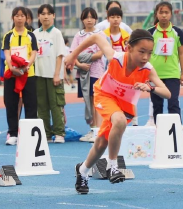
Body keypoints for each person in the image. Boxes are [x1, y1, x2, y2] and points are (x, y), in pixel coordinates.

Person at [65, 29, 171, 194]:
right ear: (129, 48)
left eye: (150, 53)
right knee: (119, 121)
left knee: (101, 143)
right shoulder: (115, 57)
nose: (145, 57)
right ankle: (113, 167)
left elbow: (167, 92)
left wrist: (150, 86)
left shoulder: (148, 70)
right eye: (141, 52)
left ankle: (83, 171)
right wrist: (72, 55)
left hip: (124, 105)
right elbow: (95, 37)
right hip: (104, 95)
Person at [2, 6, 38, 146]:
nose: (19, 18)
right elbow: (6, 52)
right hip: (11, 73)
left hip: (28, 74)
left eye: (22, 15)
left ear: (26, 18)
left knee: (31, 104)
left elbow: (34, 52)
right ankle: (13, 133)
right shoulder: (8, 36)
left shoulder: (31, 35)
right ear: (13, 18)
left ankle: (30, 133)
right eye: (16, 15)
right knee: (11, 103)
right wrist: (12, 67)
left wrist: (27, 66)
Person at [147, 2, 183, 125]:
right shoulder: (150, 32)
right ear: (156, 14)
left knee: (173, 102)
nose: (164, 15)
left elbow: (181, 54)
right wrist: (145, 73)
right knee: (157, 104)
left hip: (172, 74)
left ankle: (176, 129)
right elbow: (146, 54)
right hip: (155, 74)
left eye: (166, 12)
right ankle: (158, 130)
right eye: (161, 12)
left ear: (170, 14)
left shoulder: (177, 32)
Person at [70, 8, 106, 142]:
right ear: (82, 20)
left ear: (96, 19)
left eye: (92, 17)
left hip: (96, 71)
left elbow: (101, 53)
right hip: (83, 72)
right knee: (87, 100)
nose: (89, 20)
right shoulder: (78, 35)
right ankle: (92, 129)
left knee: (96, 100)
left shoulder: (100, 34)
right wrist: (80, 65)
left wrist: (85, 57)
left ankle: (98, 130)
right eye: (86, 17)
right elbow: (73, 53)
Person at [33, 4, 67, 143]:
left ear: (53, 16)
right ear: (38, 16)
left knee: (56, 104)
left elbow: (60, 55)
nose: (45, 16)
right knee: (41, 106)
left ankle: (59, 133)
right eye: (42, 13)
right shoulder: (35, 33)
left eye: (48, 13)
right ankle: (45, 134)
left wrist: (57, 74)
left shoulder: (56, 33)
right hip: (39, 74)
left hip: (53, 74)